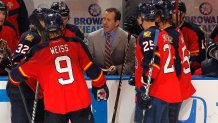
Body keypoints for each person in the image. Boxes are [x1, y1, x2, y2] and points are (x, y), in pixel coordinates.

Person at [8, 12, 109, 123]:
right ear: (61, 27)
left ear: (45, 28)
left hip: (55, 106)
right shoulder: (76, 44)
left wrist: (14, 80)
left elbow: (15, 75)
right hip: (79, 101)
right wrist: (100, 85)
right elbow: (93, 70)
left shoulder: (38, 52)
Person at [134, 1, 184, 122]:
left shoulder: (146, 34)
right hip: (167, 89)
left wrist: (145, 83)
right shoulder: (163, 33)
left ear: (141, 18)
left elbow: (152, 61)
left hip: (156, 90)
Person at [5, 8, 51, 123]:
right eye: (42, 20)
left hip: (34, 89)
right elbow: (18, 61)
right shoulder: (30, 36)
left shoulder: (45, 38)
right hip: (21, 87)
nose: (46, 23)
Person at [155, 1, 196, 122]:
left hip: (175, 88)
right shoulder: (175, 31)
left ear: (161, 16)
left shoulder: (168, 35)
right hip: (179, 85)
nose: (154, 18)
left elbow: (176, 67)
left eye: (156, 15)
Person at [87, 8, 136, 75]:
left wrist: (117, 69)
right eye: (104, 19)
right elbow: (88, 61)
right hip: (98, 77)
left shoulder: (128, 39)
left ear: (117, 23)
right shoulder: (92, 37)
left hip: (119, 80)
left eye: (108, 20)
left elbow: (131, 64)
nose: (104, 23)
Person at [171, 0, 206, 74]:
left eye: (174, 13)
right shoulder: (165, 30)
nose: (171, 16)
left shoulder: (194, 31)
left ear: (183, 14)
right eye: (170, 13)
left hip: (190, 73)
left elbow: (198, 60)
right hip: (169, 72)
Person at [0, 1, 18, 75]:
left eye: (3, 14)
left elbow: (16, 53)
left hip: (8, 74)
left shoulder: (10, 31)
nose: (1, 17)